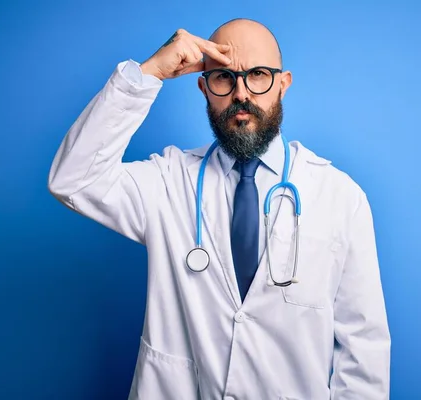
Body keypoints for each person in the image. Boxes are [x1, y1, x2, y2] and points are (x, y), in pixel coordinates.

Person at [48, 18, 390, 400]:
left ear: (283, 83)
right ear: (203, 87)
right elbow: (73, 180)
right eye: (224, 77)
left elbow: (363, 351)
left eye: (258, 75)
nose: (241, 93)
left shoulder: (340, 197)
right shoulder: (169, 181)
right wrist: (150, 73)